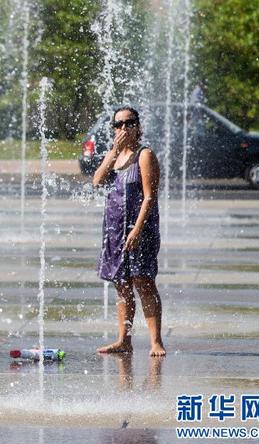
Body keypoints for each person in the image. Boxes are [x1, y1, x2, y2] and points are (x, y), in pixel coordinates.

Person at [93, 106, 166, 357]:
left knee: (143, 282)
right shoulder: (115, 155)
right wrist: (113, 151)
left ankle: (156, 341)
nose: (124, 128)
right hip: (114, 229)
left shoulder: (144, 155)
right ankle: (124, 340)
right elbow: (97, 181)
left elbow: (149, 197)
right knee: (122, 284)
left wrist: (136, 228)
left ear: (138, 126)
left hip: (139, 229)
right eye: (118, 124)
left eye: (129, 123)